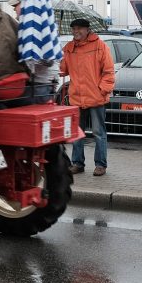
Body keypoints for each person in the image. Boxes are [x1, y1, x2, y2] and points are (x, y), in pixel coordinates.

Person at [60, 17, 115, 177]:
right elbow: (64, 71)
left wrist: (102, 90)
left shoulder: (100, 46)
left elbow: (109, 72)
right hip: (77, 97)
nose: (75, 31)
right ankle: (77, 163)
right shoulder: (69, 48)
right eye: (73, 29)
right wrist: (62, 57)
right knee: (77, 132)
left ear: (87, 30)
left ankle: (100, 165)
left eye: (79, 28)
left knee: (99, 133)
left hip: (96, 98)